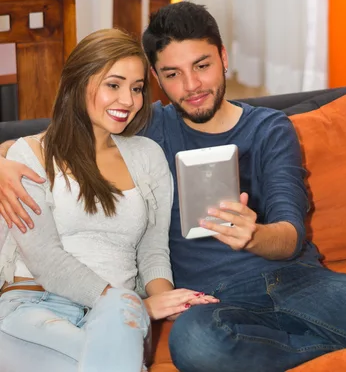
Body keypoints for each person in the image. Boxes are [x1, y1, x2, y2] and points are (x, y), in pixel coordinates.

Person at [0, 3, 346, 372]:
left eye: (202, 65)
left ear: (223, 58)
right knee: (195, 344)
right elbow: (65, 135)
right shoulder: (148, 130)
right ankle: (339, 345)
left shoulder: (270, 129)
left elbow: (290, 236)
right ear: (156, 79)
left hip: (299, 280)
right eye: (172, 74)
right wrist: (3, 161)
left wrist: (255, 236)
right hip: (216, 299)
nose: (191, 86)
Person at [0, 27, 216, 372]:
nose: (128, 101)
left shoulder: (148, 156)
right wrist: (130, 303)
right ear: (78, 82)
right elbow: (45, 260)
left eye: (137, 88)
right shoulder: (27, 156)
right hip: (34, 307)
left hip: (117, 318)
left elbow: (153, 250)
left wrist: (162, 297)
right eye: (113, 85)